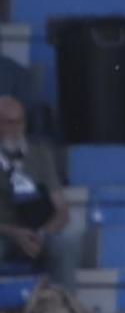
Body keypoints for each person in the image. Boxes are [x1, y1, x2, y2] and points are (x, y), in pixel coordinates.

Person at [0, 95, 72, 285]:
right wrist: (15, 233)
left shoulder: (40, 153)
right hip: (4, 233)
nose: (16, 129)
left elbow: (62, 209)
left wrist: (42, 233)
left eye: (20, 122)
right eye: (8, 123)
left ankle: (65, 307)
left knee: (64, 245)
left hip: (38, 231)